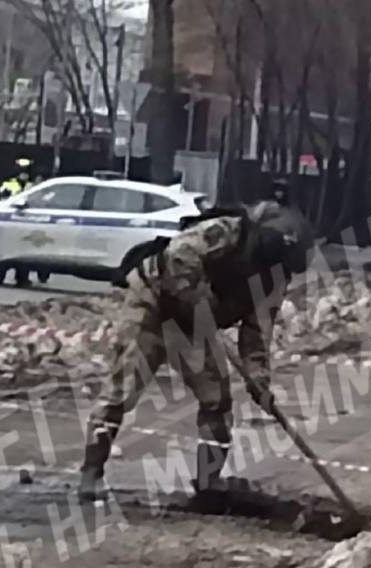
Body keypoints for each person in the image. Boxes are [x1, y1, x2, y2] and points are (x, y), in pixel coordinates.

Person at [78, 201, 316, 501]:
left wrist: (259, 381)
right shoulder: (228, 232)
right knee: (122, 391)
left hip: (194, 327)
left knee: (217, 399)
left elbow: (257, 332)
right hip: (153, 304)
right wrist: (200, 299)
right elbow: (179, 254)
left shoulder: (274, 281)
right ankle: (91, 474)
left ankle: (209, 482)